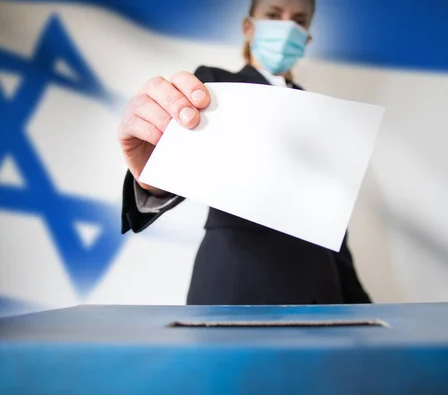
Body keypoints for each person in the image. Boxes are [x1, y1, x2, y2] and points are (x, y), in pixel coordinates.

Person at [117, 0, 371, 305]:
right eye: (274, 15)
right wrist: (154, 177)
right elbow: (178, 166)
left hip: (319, 286)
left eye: (299, 20)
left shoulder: (328, 114)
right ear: (249, 27)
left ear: (307, 38)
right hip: (237, 280)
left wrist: (360, 306)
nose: (287, 26)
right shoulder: (213, 86)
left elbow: (334, 221)